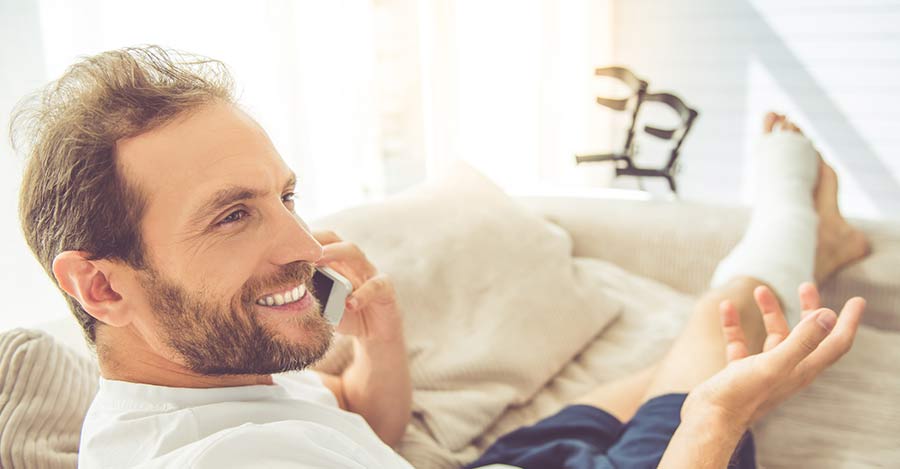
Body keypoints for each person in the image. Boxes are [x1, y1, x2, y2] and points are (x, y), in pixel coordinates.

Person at [9, 46, 868, 469]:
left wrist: (377, 342)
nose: (303, 248)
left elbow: (359, 432)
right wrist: (711, 425)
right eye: (233, 216)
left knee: (654, 377)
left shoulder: (214, 370)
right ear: (99, 285)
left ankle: (813, 235)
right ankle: (800, 212)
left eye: (286, 196)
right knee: (714, 348)